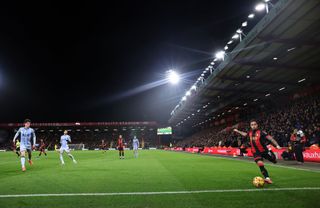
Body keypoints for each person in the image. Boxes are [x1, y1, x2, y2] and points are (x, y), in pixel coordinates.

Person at [233, 119, 281, 184]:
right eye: (252, 125)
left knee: (274, 161)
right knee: (260, 163)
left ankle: (270, 151)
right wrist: (238, 131)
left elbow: (270, 138)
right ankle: (267, 178)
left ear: (257, 125)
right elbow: (244, 134)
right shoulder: (250, 133)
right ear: (250, 126)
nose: (253, 126)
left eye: (254, 124)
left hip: (264, 151)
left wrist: (277, 145)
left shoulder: (261, 132)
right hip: (256, 152)